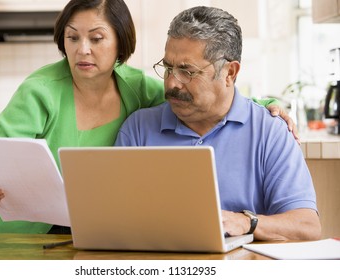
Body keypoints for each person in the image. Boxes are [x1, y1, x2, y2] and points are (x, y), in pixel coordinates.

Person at [0, 0, 296, 237]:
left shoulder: (136, 87)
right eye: (72, 38)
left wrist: (264, 104)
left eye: (96, 39)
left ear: (120, 43)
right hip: (18, 228)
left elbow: (201, 95)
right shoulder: (39, 92)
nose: (82, 50)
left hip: (82, 230)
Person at [115, 6, 321, 241]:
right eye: (168, 68)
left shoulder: (270, 132)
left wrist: (247, 222)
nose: (172, 83)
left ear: (230, 73)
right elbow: (112, 219)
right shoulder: (137, 130)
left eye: (187, 71)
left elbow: (307, 228)